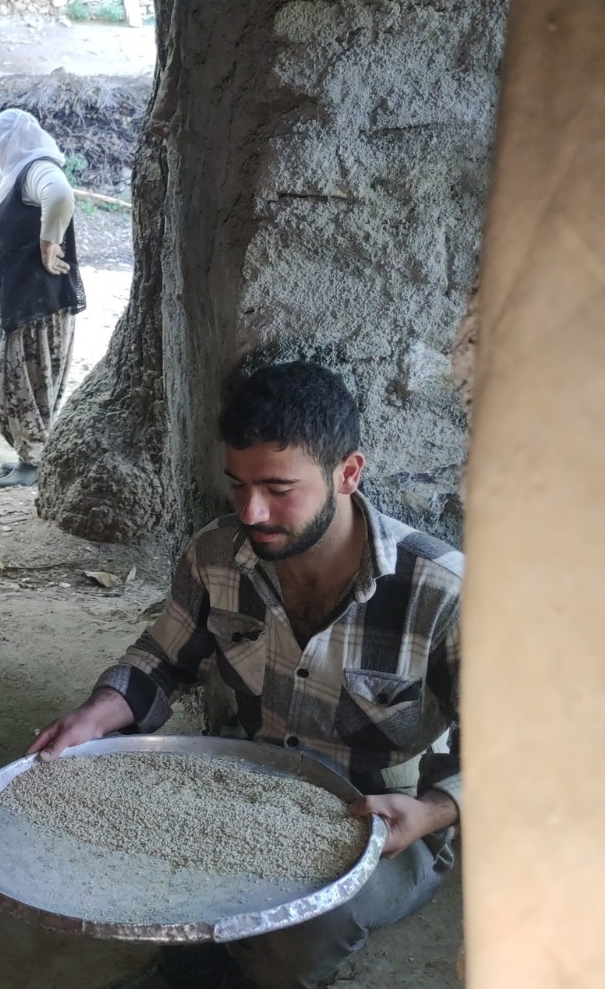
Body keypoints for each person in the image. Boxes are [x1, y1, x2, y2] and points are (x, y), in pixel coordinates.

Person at [29, 362, 461, 988]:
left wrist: (431, 812)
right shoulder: (217, 553)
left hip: (382, 821)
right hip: (243, 786)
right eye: (238, 486)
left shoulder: (441, 591)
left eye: (279, 488)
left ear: (348, 473)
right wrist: (98, 713)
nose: (252, 511)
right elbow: (162, 656)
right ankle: (201, 951)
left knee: (306, 924)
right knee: (113, 815)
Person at [0, 108, 87, 488]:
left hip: (32, 303)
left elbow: (59, 195)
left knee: (20, 374)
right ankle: (29, 458)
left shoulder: (41, 170)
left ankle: (33, 462)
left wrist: (48, 243)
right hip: (19, 297)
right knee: (7, 371)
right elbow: (4, 186)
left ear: (13, 145)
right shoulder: (24, 171)